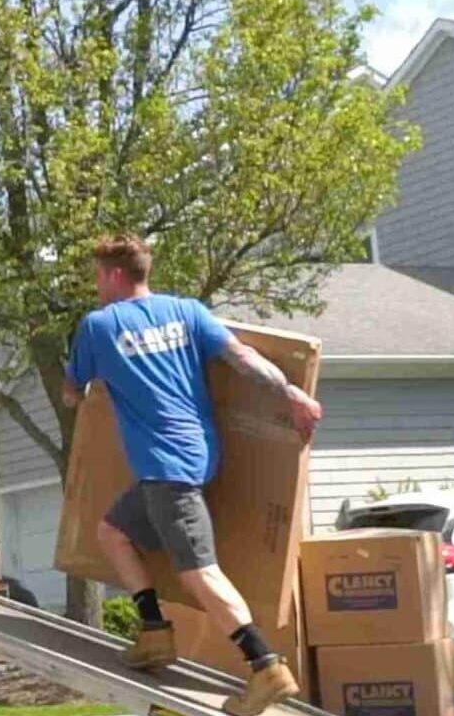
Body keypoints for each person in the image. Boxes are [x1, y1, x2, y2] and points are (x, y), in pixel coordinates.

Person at [62, 236, 322, 716]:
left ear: (116, 276)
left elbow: (72, 391)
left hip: (167, 470)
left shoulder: (98, 327)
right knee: (113, 531)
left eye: (99, 275)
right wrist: (292, 394)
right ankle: (155, 632)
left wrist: (80, 392)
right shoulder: (189, 312)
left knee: (200, 572)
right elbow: (244, 359)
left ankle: (265, 666)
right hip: (196, 458)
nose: (97, 285)